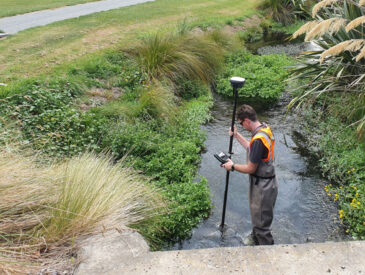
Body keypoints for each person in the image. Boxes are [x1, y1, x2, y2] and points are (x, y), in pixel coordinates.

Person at [221, 104, 278, 245]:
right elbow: (252, 149)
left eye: (241, 124)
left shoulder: (258, 139)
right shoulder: (264, 129)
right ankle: (256, 239)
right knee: (259, 219)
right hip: (267, 183)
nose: (242, 126)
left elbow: (251, 168)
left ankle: (267, 256)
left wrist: (232, 166)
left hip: (262, 187)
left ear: (246, 120)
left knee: (262, 227)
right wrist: (237, 135)